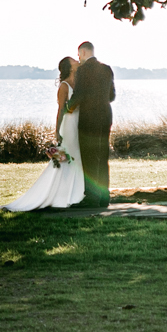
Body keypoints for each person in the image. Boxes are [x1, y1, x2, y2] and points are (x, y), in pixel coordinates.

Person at [3, 55, 85, 212]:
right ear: (69, 67)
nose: (77, 61)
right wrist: (57, 131)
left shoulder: (79, 83)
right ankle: (58, 194)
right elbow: (61, 110)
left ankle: (75, 194)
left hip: (78, 124)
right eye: (73, 61)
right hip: (68, 126)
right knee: (65, 159)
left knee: (77, 158)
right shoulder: (64, 86)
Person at [69, 40, 116, 207]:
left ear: (82, 53)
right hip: (105, 116)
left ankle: (91, 198)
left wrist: (68, 106)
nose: (78, 58)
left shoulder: (83, 70)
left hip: (89, 118)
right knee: (102, 157)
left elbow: (79, 94)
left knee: (89, 157)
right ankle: (104, 197)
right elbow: (112, 96)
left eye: (78, 54)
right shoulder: (107, 69)